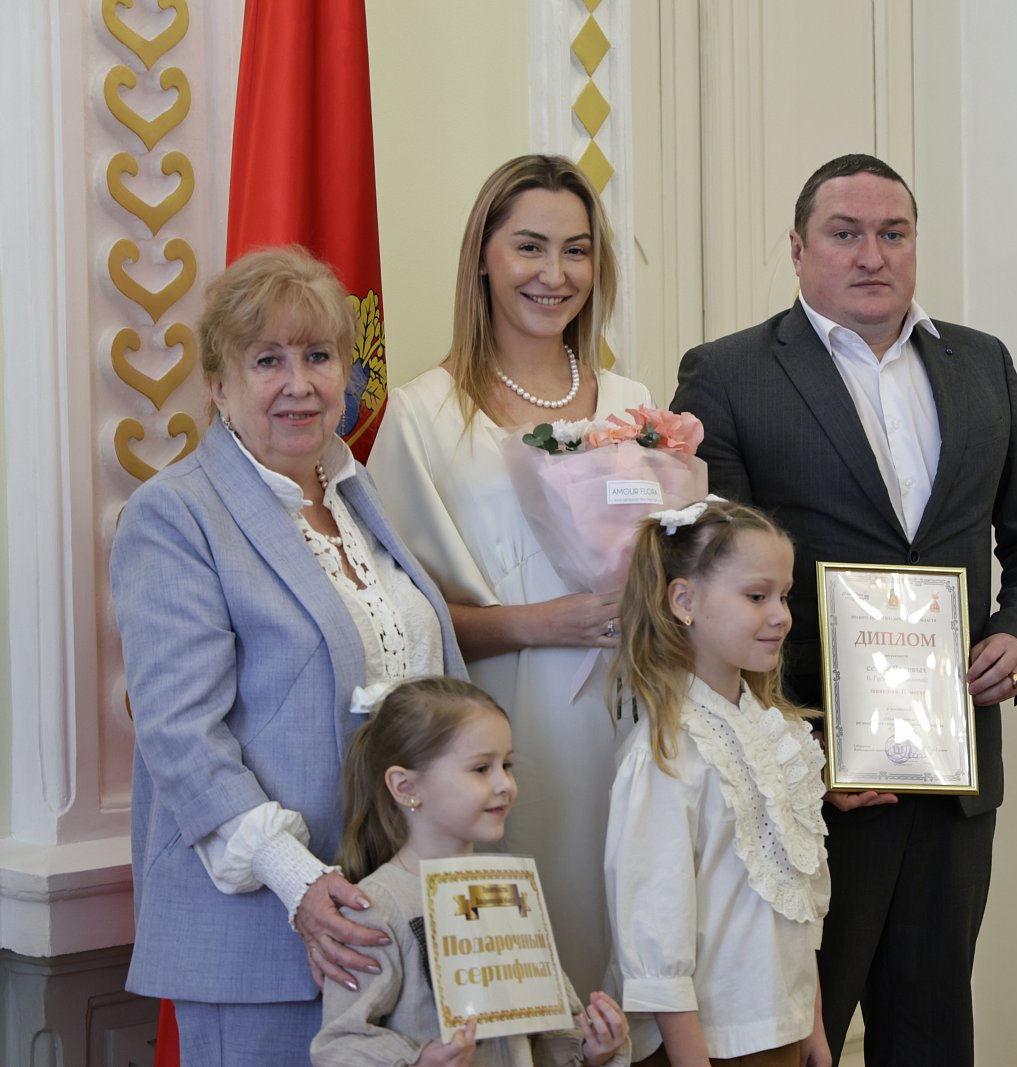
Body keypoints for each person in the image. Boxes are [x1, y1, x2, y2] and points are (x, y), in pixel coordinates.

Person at [671, 154, 1017, 1065]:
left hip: (953, 777)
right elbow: (704, 585)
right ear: (797, 248)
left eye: (892, 233)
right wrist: (792, 750)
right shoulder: (729, 374)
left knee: (933, 1037)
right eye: (844, 233)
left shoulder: (982, 364)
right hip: (811, 783)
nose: (872, 255)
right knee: (791, 1041)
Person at [110, 247, 466, 1065]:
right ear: (218, 384)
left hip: (397, 927)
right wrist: (300, 883)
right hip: (267, 939)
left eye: (318, 355)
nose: (299, 383)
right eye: (267, 359)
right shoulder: (175, 515)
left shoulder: (357, 495)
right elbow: (181, 736)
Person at [367, 155, 652, 994]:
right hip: (491, 736)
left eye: (576, 250)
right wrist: (540, 623)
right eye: (530, 247)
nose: (554, 274)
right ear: (483, 258)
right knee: (520, 973)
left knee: (629, 952)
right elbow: (391, 617)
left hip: (628, 721)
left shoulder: (634, 403)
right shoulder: (423, 414)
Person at [604, 499, 830, 1067]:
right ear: (684, 601)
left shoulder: (775, 732)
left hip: (780, 1029)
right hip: (707, 1043)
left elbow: (795, 900)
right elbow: (655, 930)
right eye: (757, 596)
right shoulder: (666, 752)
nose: (781, 615)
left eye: (784, 595)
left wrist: (812, 1025)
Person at [311, 676, 631, 1067]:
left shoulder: (511, 893)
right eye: (481, 768)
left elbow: (542, 1037)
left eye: (507, 765)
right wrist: (417, 1062)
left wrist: (592, 1050)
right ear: (406, 787)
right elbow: (339, 1044)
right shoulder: (378, 907)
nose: (505, 784)